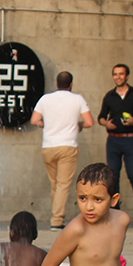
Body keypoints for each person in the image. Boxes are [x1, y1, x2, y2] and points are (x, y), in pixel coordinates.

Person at [30, 70, 94, 230]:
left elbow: (34, 120)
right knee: (63, 185)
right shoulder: (77, 99)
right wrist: (78, 125)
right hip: (67, 146)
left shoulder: (45, 99)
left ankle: (56, 215)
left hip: (48, 147)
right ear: (71, 84)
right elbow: (89, 122)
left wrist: (49, 125)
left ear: (56, 84)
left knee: (55, 185)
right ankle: (56, 221)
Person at [96, 63, 133, 218]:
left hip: (130, 139)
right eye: (115, 74)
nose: (118, 77)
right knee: (113, 176)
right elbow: (101, 117)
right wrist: (106, 123)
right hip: (113, 140)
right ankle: (115, 210)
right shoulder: (109, 96)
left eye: (121, 74)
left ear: (127, 76)